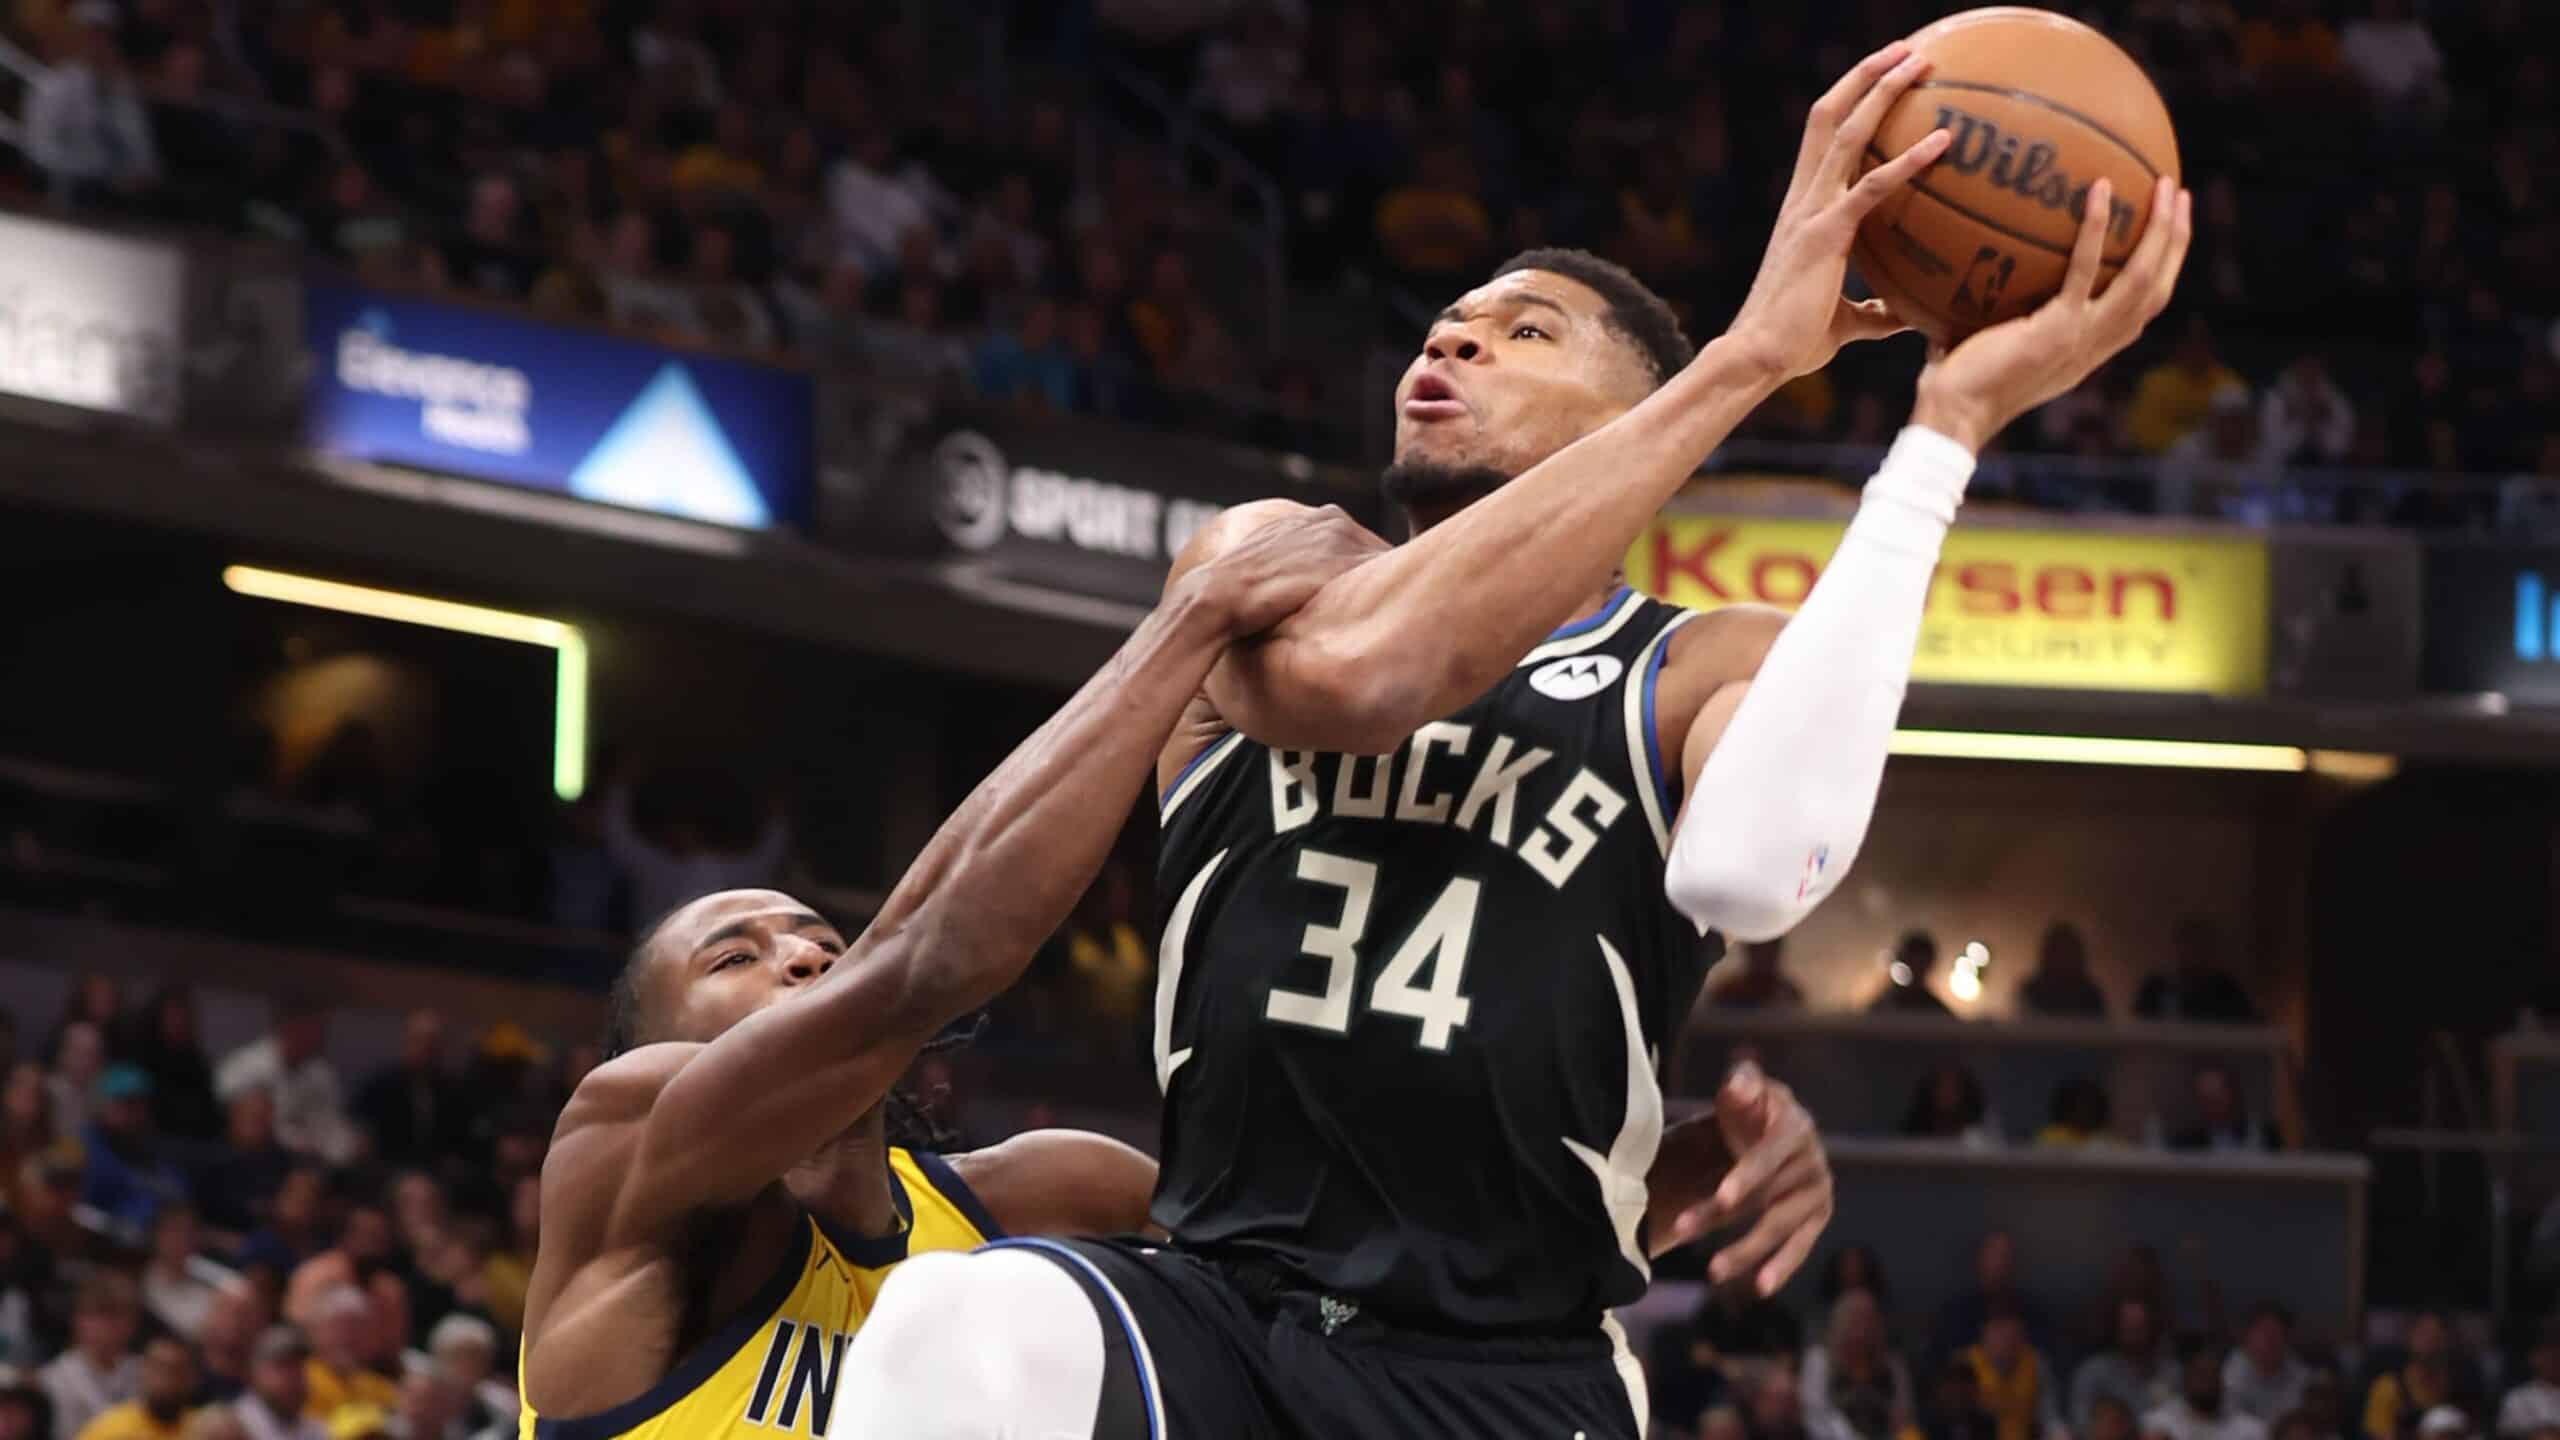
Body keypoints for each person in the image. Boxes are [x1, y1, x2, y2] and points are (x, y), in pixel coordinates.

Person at [841, 39, 2193, 1440]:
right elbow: (1366, 678)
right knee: (961, 1322)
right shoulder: (1275, 560)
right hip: (1221, 1312)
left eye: (1525, 332)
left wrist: (1945, 433)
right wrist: (1749, 359)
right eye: (1443, 327)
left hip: (1507, 1368)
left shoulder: (1695, 665)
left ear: (1637, 425)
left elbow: (1749, 873)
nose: (1450, 342)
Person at [213, 1007, 359, 1167]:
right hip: (254, 1157)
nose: (319, 1039)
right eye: (310, 1029)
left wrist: (348, 1144)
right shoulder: (241, 1068)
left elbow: (330, 1122)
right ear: (288, 1027)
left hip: (314, 1159)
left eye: (321, 1031)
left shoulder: (320, 1073)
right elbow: (247, 1132)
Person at [78, 1067, 190, 1238]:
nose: (136, 1114)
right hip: (111, 1243)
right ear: (101, 1106)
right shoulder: (86, 1152)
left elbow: (180, 1196)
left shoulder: (154, 1151)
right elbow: (80, 1211)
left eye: (141, 1104)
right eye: (126, 1104)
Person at [1805, 1289, 1918, 1440]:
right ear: (1839, 1322)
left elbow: (1903, 1417)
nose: (1863, 1327)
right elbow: (1816, 1417)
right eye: (1855, 1318)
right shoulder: (1819, 1361)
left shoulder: (1893, 1365)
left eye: (1868, 1318)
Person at [42, 1275, 143, 1440]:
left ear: (132, 1323)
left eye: (117, 1316)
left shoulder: (145, 1370)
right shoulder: (55, 1378)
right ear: (78, 1321)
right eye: (99, 1315)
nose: (108, 1326)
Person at [350, 1015, 455, 1170]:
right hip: (388, 1167)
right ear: (407, 1043)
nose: (425, 1049)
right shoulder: (380, 1085)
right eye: (418, 1041)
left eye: (433, 1044)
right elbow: (357, 1124)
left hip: (434, 1169)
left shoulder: (450, 1089)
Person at [2077, 1297, 2182, 1432]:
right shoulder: (2093, 1373)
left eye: (2140, 1326)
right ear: (2116, 1328)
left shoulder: (2171, 1372)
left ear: (2153, 1328)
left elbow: (2185, 1421)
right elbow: (2081, 1423)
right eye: (2128, 1326)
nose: (2134, 1333)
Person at [1965, 1308, 2066, 1440]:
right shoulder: (1966, 1364)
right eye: (1999, 1333)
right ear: (1985, 1333)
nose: (2006, 1342)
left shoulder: (2035, 1364)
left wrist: (2058, 1432)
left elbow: (2049, 1414)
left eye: (2013, 1336)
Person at [2367, 1312, 2470, 1440]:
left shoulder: (2458, 1386)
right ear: (2410, 1337)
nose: (2430, 1342)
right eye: (2424, 1334)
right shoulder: (2389, 1387)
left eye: (2437, 1337)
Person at [2134, 920, 2260, 1024]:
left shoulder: (2227, 989)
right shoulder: (2156, 986)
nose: (2193, 954)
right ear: (2176, 948)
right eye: (2187, 945)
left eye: (2199, 946)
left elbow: (2251, 1030)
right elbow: (2137, 1028)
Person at [71, 1337, 194, 1440]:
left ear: (191, 1377)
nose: (166, 1378)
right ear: (143, 1371)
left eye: (177, 1370)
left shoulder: (199, 1429)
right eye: (159, 1368)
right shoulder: (110, 1429)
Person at [139, 1207, 229, 1343]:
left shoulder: (212, 1287)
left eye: (188, 1232)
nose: (181, 1238)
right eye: (174, 1230)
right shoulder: (137, 1279)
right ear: (157, 1234)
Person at [2147, 1344, 2272, 1440]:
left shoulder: (2249, 1431)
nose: (2205, 1381)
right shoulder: (2160, 1424)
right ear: (2185, 1379)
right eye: (2199, 1373)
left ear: (2222, 1381)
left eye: (2211, 1374)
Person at [2227, 1303, 2315, 1425]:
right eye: (2264, 1332)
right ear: (2247, 1337)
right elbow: (2232, 1422)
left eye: (2277, 1333)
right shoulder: (2231, 1372)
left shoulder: (2299, 1373)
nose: (2270, 1340)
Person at [228, 1328, 323, 1440]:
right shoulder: (233, 1425)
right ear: (253, 1373)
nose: (293, 1376)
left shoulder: (315, 1429)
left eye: (298, 1367)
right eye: (283, 1366)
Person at [2166, 1066, 2276, 1153]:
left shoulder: (2263, 1135)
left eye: (2218, 1097)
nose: (2213, 1106)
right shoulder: (2185, 1144)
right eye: (2206, 1099)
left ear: (2232, 1095)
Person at [2017, 924, 2108, 1018]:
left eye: (2067, 952)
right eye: (2057, 951)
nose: (2062, 958)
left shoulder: (2091, 996)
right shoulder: (2030, 992)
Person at [2497, 1318, 2560, 1437]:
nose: (2553, 1360)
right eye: (2547, 1355)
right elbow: (2509, 1434)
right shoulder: (2517, 1398)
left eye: (2556, 1353)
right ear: (2533, 1358)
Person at [1711, 939, 1808, 1009]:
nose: (1764, 956)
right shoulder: (1728, 993)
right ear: (1750, 951)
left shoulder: (1788, 995)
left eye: (1769, 950)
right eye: (1759, 949)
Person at [1874, 932, 1954, 1014]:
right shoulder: (1882, 1008)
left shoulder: (1936, 1011)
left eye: (1920, 962)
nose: (1915, 968)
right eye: (1911, 961)